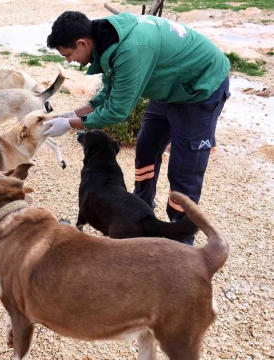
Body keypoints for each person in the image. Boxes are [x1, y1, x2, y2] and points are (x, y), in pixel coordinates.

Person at [43, 11, 230, 245]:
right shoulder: (107, 41)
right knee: (146, 150)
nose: (69, 61)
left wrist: (70, 124)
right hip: (168, 88)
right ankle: (141, 216)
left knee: (184, 169)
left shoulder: (130, 50)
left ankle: (181, 240)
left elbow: (117, 111)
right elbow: (109, 93)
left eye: (68, 55)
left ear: (82, 43)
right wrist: (72, 114)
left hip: (200, 89)